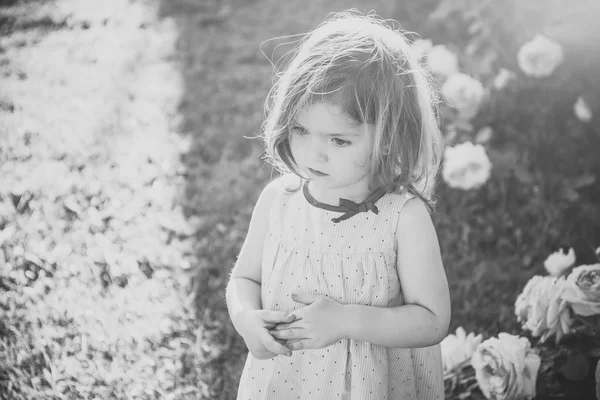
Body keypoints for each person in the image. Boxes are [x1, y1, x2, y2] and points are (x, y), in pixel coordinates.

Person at [226, 9, 450, 400]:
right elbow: (245, 279)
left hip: (370, 384)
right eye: (300, 129)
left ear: (390, 137)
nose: (314, 153)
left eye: (339, 140)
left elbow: (432, 321)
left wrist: (346, 320)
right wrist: (247, 318)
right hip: (287, 379)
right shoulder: (279, 200)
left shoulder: (402, 218)